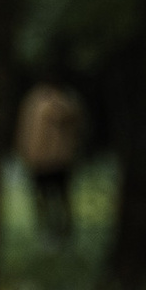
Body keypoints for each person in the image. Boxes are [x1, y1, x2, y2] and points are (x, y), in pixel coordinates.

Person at [15, 81, 88, 244]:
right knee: (42, 198)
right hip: (39, 160)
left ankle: (63, 232)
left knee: (60, 198)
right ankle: (46, 232)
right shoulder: (33, 100)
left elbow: (73, 119)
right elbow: (26, 130)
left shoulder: (63, 101)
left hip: (58, 160)